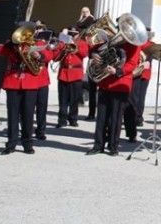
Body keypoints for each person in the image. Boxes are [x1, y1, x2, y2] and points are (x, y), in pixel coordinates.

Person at [0, 23, 58, 154]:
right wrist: (11, 44)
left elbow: (49, 55)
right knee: (12, 114)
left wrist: (39, 56)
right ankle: (11, 144)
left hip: (30, 82)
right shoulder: (12, 43)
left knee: (28, 114)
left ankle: (27, 143)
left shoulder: (37, 42)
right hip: (13, 81)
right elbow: (0, 51)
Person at [87, 27, 143, 156]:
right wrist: (94, 55)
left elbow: (132, 64)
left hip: (120, 84)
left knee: (115, 117)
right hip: (105, 83)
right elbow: (94, 49)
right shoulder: (111, 41)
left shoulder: (135, 45)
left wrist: (117, 71)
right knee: (101, 117)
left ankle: (113, 146)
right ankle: (98, 145)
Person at [55, 35, 89, 128]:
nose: (73, 35)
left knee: (74, 100)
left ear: (78, 34)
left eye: (75, 34)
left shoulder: (82, 43)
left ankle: (73, 119)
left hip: (76, 75)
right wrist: (63, 49)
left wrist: (75, 46)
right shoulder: (62, 44)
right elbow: (55, 58)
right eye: (71, 33)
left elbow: (84, 54)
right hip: (63, 74)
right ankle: (62, 120)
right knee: (63, 100)